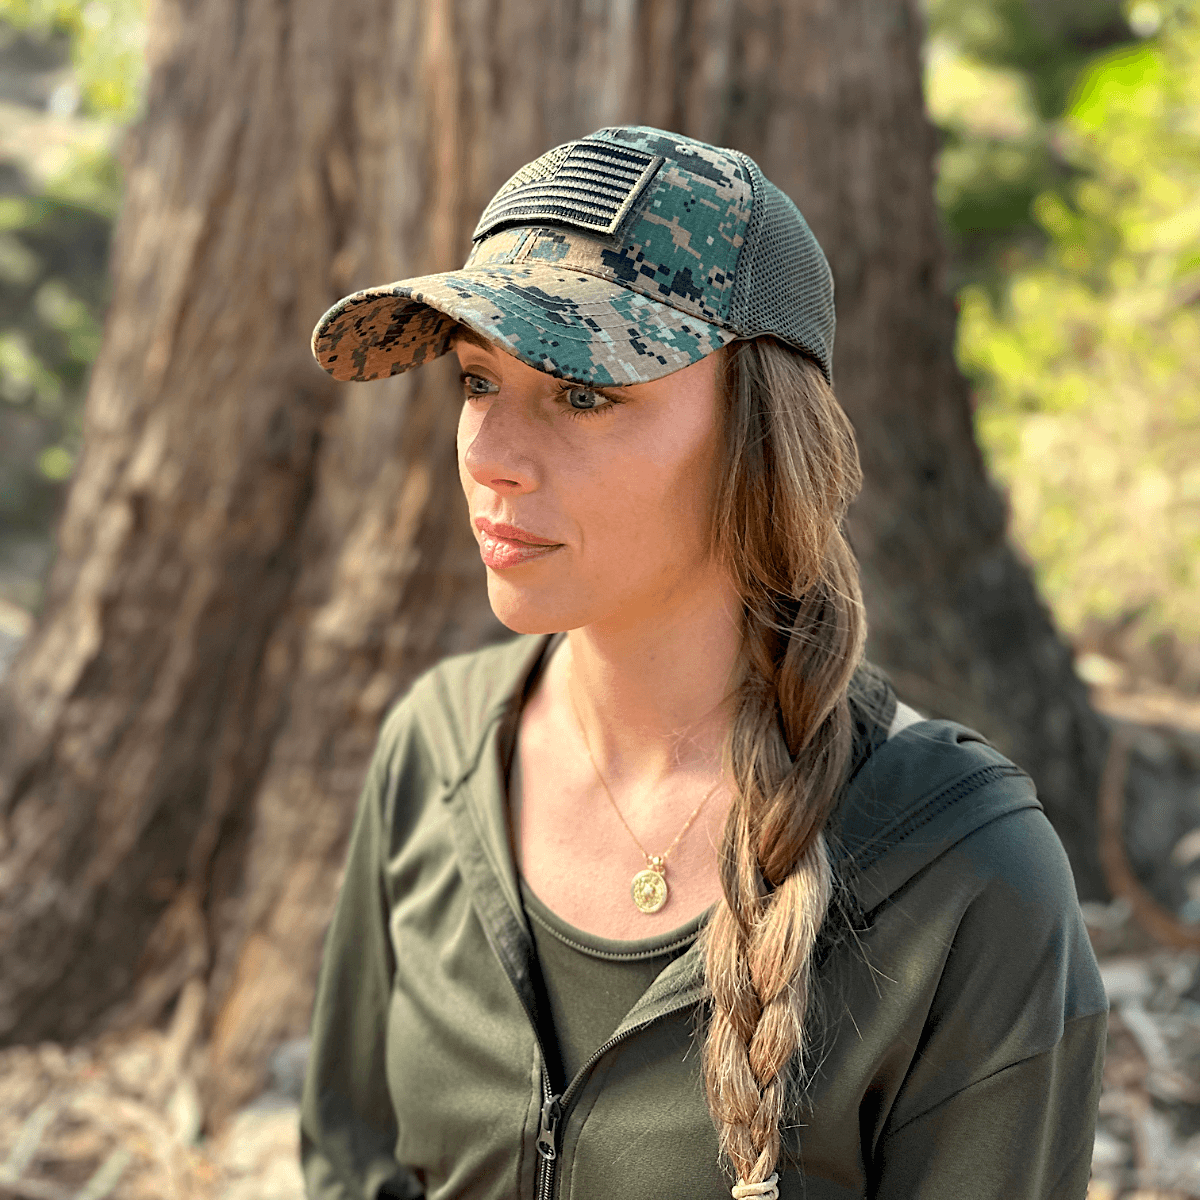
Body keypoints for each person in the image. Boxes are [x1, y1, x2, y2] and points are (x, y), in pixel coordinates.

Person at [300, 126, 1108, 1200]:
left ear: (759, 436)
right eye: (478, 383)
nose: (492, 459)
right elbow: (350, 1161)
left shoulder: (965, 877)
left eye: (582, 395)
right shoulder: (436, 748)